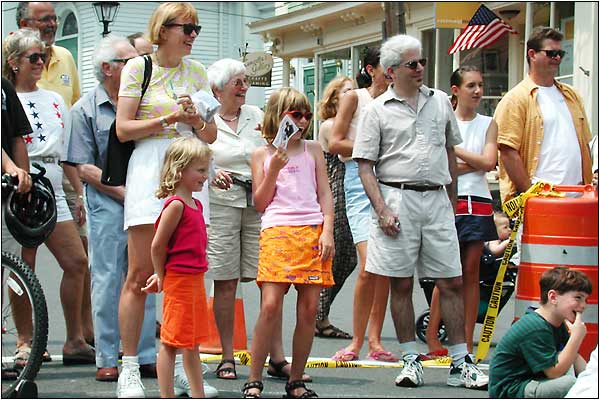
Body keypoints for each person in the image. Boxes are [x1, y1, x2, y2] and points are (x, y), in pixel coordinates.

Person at [352, 33, 488, 389]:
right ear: (392, 71)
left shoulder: (441, 100)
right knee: (400, 282)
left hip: (437, 200)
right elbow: (365, 165)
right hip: (396, 198)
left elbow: (449, 152)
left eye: (422, 62)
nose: (421, 69)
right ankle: (411, 359)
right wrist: (381, 210)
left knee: (452, 281)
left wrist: (453, 201)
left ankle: (461, 361)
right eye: (413, 64)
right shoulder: (376, 110)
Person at [114, 3, 216, 397]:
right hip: (150, 166)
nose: (193, 35)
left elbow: (210, 136)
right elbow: (123, 129)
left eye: (196, 28)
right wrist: (169, 119)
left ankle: (177, 364)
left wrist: (194, 122)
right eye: (186, 28)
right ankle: (128, 367)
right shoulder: (138, 68)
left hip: (188, 168)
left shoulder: (198, 72)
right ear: (164, 28)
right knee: (141, 274)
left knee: (184, 274)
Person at [206, 59, 309, 383]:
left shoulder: (257, 116)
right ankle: (227, 355)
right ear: (217, 89)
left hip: (261, 205)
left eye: (245, 81)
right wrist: (211, 172)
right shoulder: (206, 120)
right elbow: (194, 154)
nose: (244, 87)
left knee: (270, 283)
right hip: (222, 202)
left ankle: (276, 358)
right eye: (237, 82)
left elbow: (279, 147)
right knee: (225, 281)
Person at [65, 35, 159, 383]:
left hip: (144, 201)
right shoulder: (85, 109)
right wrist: (124, 192)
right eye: (129, 62)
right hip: (107, 203)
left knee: (145, 276)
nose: (138, 67)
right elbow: (82, 166)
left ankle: (145, 352)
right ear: (107, 69)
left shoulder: (142, 103)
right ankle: (107, 355)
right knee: (106, 279)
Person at [3, 27, 93, 365]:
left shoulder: (55, 100)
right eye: (34, 57)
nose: (41, 62)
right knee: (22, 267)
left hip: (53, 187)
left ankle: (74, 339)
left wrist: (79, 194)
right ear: (13, 62)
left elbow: (68, 152)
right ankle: (27, 341)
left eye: (44, 56)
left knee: (76, 261)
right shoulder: (8, 96)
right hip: (20, 186)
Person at [242, 87, 334, 398]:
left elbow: (324, 194)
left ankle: (296, 380)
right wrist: (274, 170)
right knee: (270, 305)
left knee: (308, 310)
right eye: (296, 115)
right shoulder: (262, 154)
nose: (304, 121)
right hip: (277, 230)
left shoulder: (313, 149)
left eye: (308, 115)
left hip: (311, 229)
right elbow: (260, 201)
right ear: (278, 116)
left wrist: (328, 231)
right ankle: (254, 377)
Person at [328, 47, 396, 362]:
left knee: (383, 266)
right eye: (388, 65)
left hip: (394, 179)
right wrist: (374, 146)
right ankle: (356, 341)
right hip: (358, 175)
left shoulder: (402, 101)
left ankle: (375, 341)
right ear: (371, 68)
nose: (395, 70)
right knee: (370, 263)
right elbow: (335, 142)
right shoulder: (355, 98)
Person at [426, 66, 499, 356]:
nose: (478, 91)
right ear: (455, 90)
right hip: (448, 201)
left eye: (480, 84)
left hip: (479, 202)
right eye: (471, 85)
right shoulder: (443, 121)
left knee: (471, 270)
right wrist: (474, 161)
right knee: (447, 272)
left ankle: (466, 341)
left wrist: (454, 152)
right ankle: (433, 336)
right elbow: (440, 166)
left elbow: (489, 162)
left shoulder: (488, 123)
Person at [141, 137, 212, 398]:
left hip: (194, 280)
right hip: (180, 282)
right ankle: (166, 395)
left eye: (206, 169)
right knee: (171, 343)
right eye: (200, 170)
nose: (205, 176)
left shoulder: (195, 204)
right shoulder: (176, 205)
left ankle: (198, 393)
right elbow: (157, 245)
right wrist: (162, 276)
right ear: (180, 170)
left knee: (191, 342)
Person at [494, 26, 592, 203]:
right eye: (550, 53)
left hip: (578, 196)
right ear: (532, 54)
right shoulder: (516, 99)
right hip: (540, 199)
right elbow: (507, 151)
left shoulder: (572, 95)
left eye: (560, 53)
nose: (556, 58)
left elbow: (585, 144)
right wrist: (530, 194)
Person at [488, 266, 591, 398]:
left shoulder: (558, 323)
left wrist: (592, 381)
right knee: (569, 384)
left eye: (585, 300)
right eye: (578, 298)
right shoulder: (535, 326)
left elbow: (573, 357)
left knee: (573, 364)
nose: (583, 305)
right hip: (511, 390)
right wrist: (576, 337)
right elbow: (554, 372)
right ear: (553, 297)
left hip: (532, 381)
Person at [314, 76, 356, 339]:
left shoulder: (351, 126)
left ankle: (320, 312)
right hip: (335, 188)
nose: (353, 96)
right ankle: (318, 315)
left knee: (348, 257)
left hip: (351, 187)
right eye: (347, 91)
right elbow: (346, 154)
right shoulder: (330, 126)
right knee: (334, 253)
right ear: (335, 98)